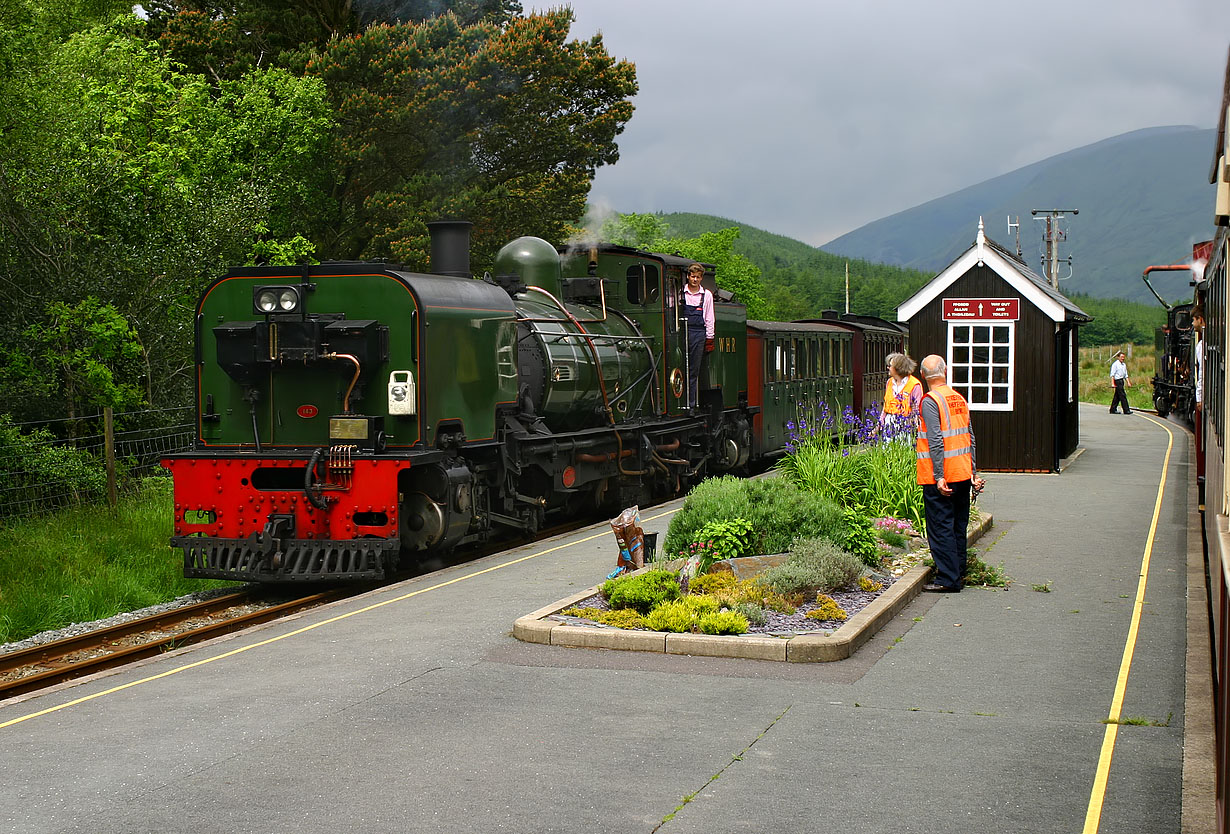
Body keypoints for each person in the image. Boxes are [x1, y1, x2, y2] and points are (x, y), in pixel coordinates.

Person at [916, 355, 985, 593]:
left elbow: (935, 440)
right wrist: (974, 473)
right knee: (958, 525)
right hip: (963, 473)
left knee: (940, 526)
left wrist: (938, 476)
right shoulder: (958, 398)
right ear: (945, 372)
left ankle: (948, 578)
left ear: (923, 375)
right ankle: (959, 570)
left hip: (941, 477)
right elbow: (970, 437)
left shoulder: (930, 400)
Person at [681, 263, 715, 410]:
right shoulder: (679, 293)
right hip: (681, 331)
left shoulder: (706, 295)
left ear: (701, 278)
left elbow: (709, 317)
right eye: (692, 276)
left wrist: (709, 337)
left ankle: (692, 403)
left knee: (694, 370)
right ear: (688, 276)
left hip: (698, 333)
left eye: (698, 277)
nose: (695, 279)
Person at [880, 352, 923, 436]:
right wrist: (880, 424)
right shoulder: (889, 382)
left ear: (898, 368)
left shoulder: (914, 385)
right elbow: (885, 407)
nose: (887, 367)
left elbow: (917, 409)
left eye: (890, 365)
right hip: (889, 424)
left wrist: (913, 428)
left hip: (906, 426)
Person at [1109, 350, 1132, 415]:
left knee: (1117, 396)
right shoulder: (1115, 364)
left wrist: (1128, 382)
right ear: (1118, 357)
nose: (1123, 358)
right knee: (1122, 395)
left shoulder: (1124, 365)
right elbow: (1112, 375)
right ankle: (1126, 410)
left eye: (1123, 357)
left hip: (1121, 381)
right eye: (1121, 357)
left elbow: (1126, 375)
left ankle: (1112, 409)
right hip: (1117, 381)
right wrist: (1113, 383)